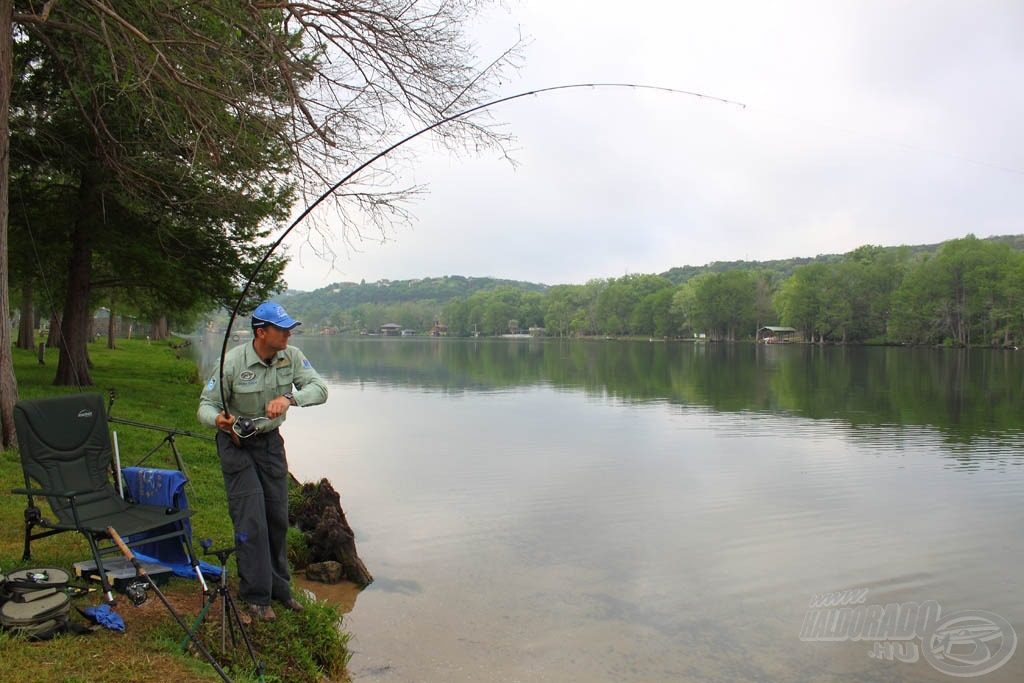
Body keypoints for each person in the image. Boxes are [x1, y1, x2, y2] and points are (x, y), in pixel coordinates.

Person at [198, 302, 328, 621]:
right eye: (281, 329)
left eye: (288, 328)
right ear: (261, 332)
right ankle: (256, 596)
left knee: (277, 517)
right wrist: (219, 421)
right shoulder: (230, 363)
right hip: (236, 445)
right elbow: (205, 405)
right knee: (251, 518)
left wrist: (289, 398)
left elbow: (320, 389)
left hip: (270, 444)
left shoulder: (292, 356)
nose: (288, 334)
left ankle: (280, 590)